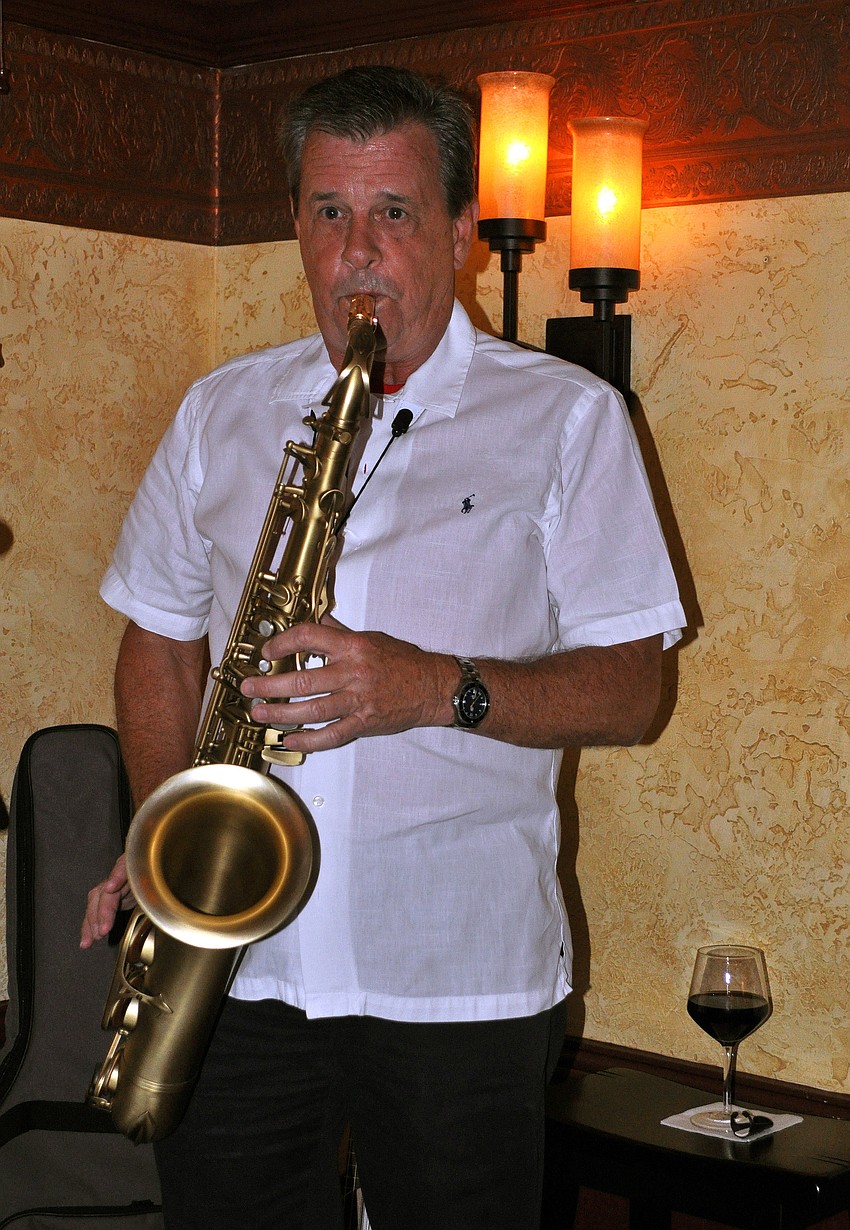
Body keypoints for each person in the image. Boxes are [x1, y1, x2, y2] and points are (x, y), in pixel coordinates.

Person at [81, 64, 685, 1230]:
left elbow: (632, 689)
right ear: (296, 227)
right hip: (238, 966)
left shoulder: (568, 418)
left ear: (462, 230)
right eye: (328, 213)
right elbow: (157, 641)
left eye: (394, 213)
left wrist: (427, 688)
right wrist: (169, 839)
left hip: (457, 977)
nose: (358, 252)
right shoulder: (220, 411)